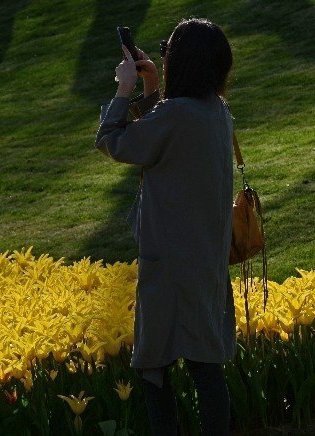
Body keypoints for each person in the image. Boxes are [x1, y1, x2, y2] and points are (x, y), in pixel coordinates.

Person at [95, 18, 237, 435]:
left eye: (166, 51)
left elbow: (114, 141)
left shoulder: (177, 115)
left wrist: (124, 88)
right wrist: (151, 89)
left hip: (170, 267)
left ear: (183, 62)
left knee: (153, 367)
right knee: (204, 363)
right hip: (204, 261)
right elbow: (166, 137)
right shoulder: (216, 111)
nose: (161, 56)